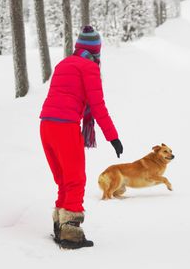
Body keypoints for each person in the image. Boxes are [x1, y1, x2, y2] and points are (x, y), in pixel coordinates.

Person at [39, 25, 123, 249]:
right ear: (96, 50)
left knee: (64, 178)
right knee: (75, 178)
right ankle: (71, 233)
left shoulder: (63, 63)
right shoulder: (89, 68)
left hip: (46, 125)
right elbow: (97, 106)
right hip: (65, 127)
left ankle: (60, 225)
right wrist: (113, 137)